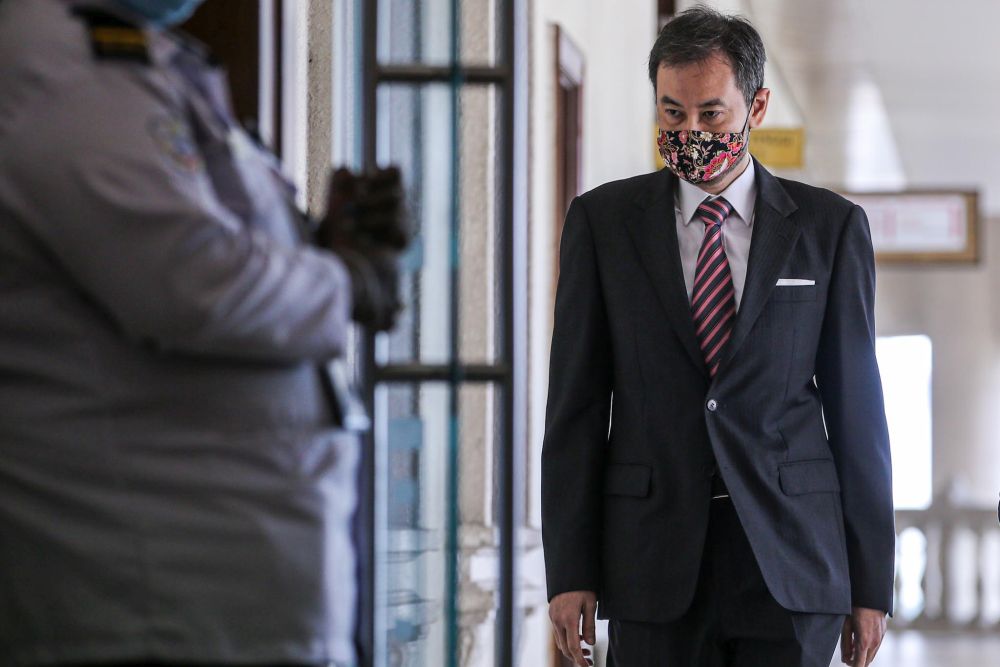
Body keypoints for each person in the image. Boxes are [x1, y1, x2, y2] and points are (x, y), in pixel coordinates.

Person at [0, 0, 406, 665]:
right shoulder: (63, 72)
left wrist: (314, 246)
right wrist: (347, 281)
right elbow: (188, 280)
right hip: (151, 611)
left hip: (215, 612)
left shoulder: (133, 67)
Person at [541, 7, 894, 667]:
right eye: (672, 114)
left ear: (756, 107)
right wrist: (569, 569)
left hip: (791, 561)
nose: (690, 132)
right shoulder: (604, 223)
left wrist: (871, 581)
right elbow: (576, 408)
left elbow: (858, 413)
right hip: (651, 560)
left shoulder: (829, 229)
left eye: (711, 114)